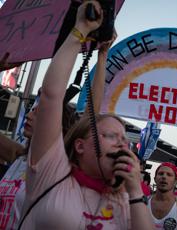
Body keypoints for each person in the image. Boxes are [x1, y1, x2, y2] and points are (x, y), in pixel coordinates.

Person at [18, 1, 153, 229]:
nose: (122, 144)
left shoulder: (126, 200)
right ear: (80, 146)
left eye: (124, 139)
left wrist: (136, 192)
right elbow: (52, 97)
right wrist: (80, 30)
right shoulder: (52, 172)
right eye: (112, 136)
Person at [0, 21, 115, 230]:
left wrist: (102, 55)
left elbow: (92, 114)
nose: (30, 115)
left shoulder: (59, 167)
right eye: (33, 110)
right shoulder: (18, 157)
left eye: (39, 112)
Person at [148, 162, 177, 230]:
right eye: (161, 174)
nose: (164, 177)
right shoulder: (143, 202)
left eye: (169, 175)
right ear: (155, 179)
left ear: (175, 182)